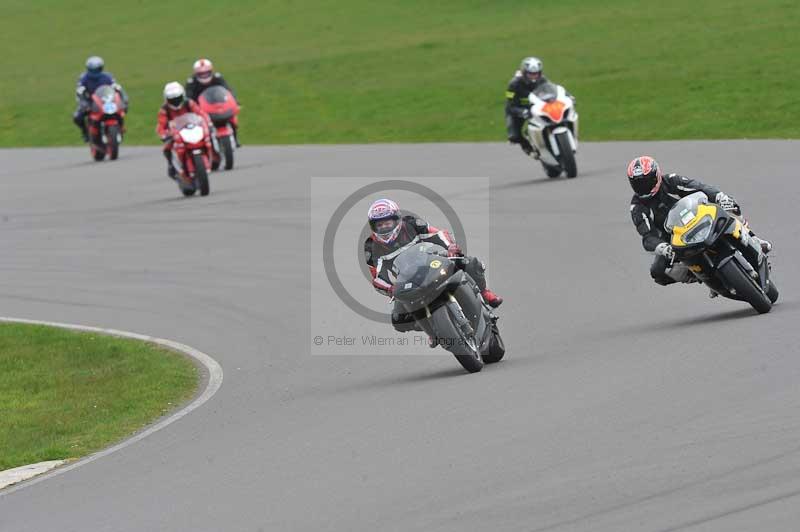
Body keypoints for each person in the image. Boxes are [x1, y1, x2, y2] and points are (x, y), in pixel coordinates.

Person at [627, 155, 771, 288]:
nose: (643, 187)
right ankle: (696, 274)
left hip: (699, 219)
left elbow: (700, 187)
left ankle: (752, 238)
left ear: (656, 175)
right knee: (657, 272)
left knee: (729, 206)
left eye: (646, 182)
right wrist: (663, 248)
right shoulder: (637, 208)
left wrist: (720, 197)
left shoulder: (671, 181)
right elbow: (647, 237)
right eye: (638, 184)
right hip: (675, 240)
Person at [363, 199, 503, 333]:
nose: (384, 227)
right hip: (408, 281)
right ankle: (432, 331)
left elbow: (438, 234)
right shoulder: (371, 246)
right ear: (373, 227)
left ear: (397, 219)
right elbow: (377, 276)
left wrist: (450, 248)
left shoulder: (411, 224)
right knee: (399, 321)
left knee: (470, 263)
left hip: (432, 263)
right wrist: (390, 288)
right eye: (379, 225)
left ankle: (485, 293)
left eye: (387, 223)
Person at [155, 82, 211, 178]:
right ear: (167, 99)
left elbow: (201, 113)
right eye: (172, 100)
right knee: (166, 148)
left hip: (192, 129)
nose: (176, 102)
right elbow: (161, 125)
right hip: (176, 134)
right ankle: (171, 166)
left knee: (209, 137)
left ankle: (212, 157)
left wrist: (207, 122)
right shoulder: (164, 110)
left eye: (178, 98)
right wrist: (164, 134)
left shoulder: (189, 103)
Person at [73, 56, 128, 143]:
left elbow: (117, 87)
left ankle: (120, 127)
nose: (95, 72)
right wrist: (83, 102)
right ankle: (85, 132)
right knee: (77, 117)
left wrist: (124, 98)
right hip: (90, 102)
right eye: (93, 69)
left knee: (122, 109)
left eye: (97, 69)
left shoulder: (107, 77)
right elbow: (80, 91)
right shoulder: (84, 78)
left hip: (105, 100)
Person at [185, 58, 240, 146]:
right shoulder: (191, 83)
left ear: (211, 71)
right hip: (201, 108)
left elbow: (228, 90)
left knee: (232, 118)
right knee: (198, 126)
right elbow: (189, 98)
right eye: (201, 74)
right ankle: (204, 143)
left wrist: (235, 101)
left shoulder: (218, 78)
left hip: (218, 104)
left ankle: (235, 137)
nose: (204, 76)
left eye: (206, 73)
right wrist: (192, 109)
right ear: (196, 74)